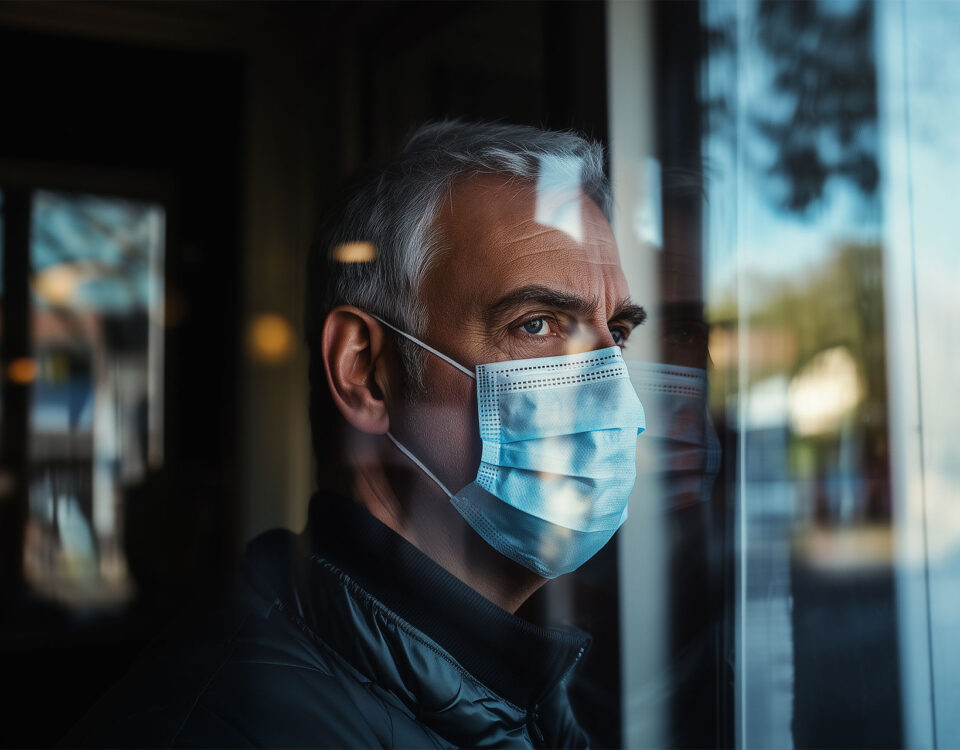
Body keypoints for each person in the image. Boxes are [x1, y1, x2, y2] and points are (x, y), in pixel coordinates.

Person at [65, 121, 647, 748]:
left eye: (614, 333)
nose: (608, 386)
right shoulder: (224, 726)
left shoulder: (519, 690)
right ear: (365, 372)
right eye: (537, 324)